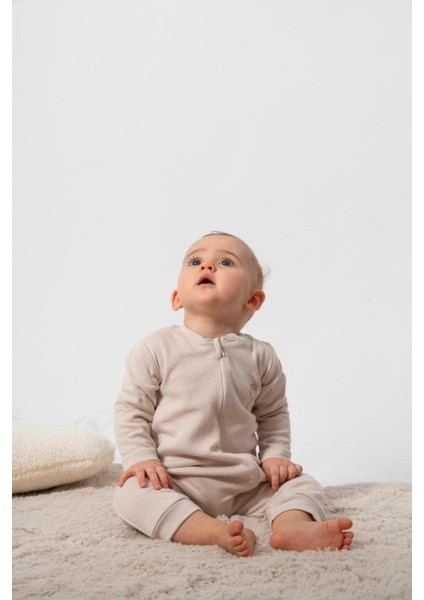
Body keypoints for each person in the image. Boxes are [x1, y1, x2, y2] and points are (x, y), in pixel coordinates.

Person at [113, 232, 354, 557]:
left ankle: (291, 526)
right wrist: (141, 459)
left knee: (302, 482)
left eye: (225, 262)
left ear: (253, 300)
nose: (207, 265)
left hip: (243, 481)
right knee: (131, 493)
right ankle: (211, 531)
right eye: (195, 261)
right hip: (176, 479)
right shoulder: (156, 349)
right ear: (176, 298)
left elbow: (272, 414)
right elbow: (131, 410)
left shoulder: (260, 356)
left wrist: (275, 457)